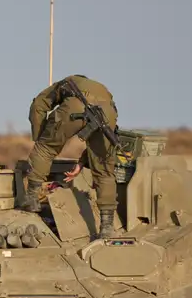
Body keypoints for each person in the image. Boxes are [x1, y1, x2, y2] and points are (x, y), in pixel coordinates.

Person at [20, 75, 120, 238]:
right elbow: (98, 150)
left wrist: (40, 138)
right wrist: (83, 162)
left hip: (75, 106)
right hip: (107, 112)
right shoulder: (102, 90)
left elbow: (38, 105)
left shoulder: (63, 84)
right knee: (104, 169)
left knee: (45, 148)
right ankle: (107, 226)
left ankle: (31, 199)